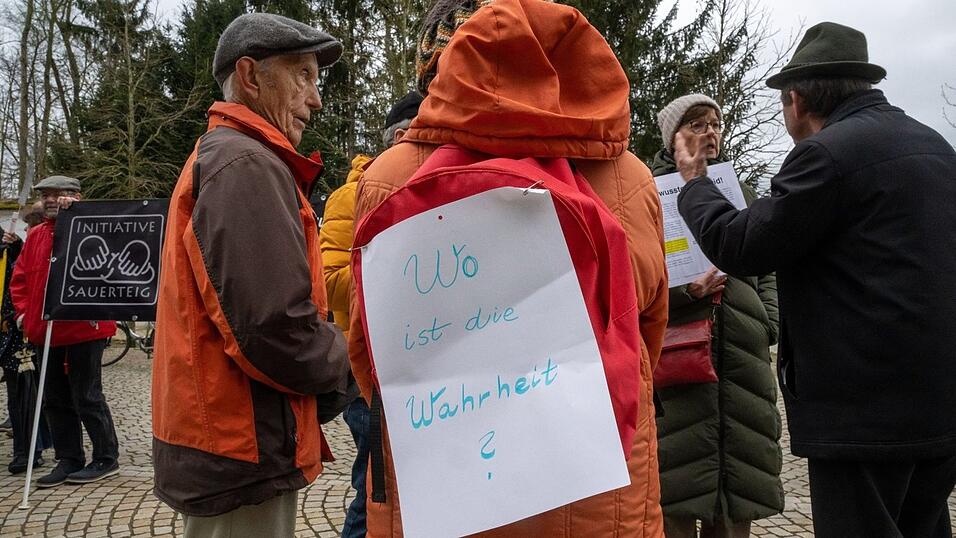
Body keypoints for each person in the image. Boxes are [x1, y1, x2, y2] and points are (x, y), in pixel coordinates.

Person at [348, 0, 669, 535]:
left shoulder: (388, 179)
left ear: (437, 70)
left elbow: (370, 357)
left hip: (444, 490)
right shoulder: (629, 178)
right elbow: (644, 338)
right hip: (599, 493)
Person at [672, 22, 956, 538]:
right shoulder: (935, 146)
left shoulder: (828, 154)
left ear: (796, 100)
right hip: (941, 405)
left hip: (863, 415)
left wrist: (693, 183)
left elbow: (743, 245)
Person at [152, 12, 351, 537]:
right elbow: (272, 327)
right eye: (302, 75)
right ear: (251, 75)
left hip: (231, 443)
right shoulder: (245, 163)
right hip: (240, 447)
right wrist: (346, 362)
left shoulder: (232, 157)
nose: (316, 99)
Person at [650, 94, 783, 538]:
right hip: (680, 364)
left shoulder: (741, 193)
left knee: (736, 505)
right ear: (673, 138)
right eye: (698, 124)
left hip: (743, 363)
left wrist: (766, 319)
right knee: (678, 500)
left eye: (716, 124)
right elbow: (636, 278)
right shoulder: (651, 193)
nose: (711, 132)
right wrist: (686, 293)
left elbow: (766, 265)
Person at [319, 89, 422, 538]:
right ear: (400, 136)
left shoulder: (426, 188)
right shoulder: (349, 197)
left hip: (417, 373)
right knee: (374, 493)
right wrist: (403, 279)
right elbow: (328, 279)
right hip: (369, 382)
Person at [9, 176, 119, 487]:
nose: (52, 200)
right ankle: (69, 457)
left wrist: (79, 215)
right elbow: (20, 280)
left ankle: (105, 456)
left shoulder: (90, 229)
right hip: (46, 330)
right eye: (47, 196)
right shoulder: (36, 236)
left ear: (76, 196)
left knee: (86, 395)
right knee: (55, 398)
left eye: (60, 195)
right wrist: (22, 316)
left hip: (85, 328)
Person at [1, 202, 53, 474]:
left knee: (23, 395)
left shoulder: (14, 247)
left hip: (15, 331)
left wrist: (19, 318)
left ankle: (28, 450)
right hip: (15, 326)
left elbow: (18, 282)